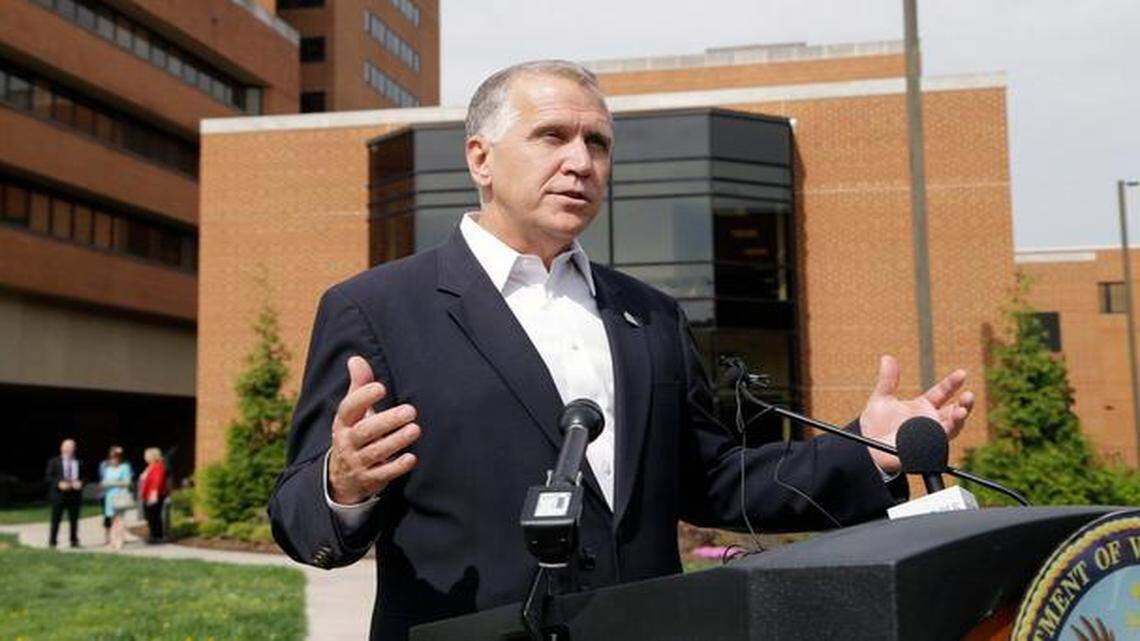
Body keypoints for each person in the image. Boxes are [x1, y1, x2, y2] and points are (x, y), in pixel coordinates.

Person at [268, 60, 976, 641]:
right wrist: (343, 482)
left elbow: (716, 478)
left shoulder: (649, 314)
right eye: (552, 136)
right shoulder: (378, 308)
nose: (581, 161)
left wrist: (865, 449)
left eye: (598, 143)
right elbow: (299, 518)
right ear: (480, 158)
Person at [45, 438, 83, 548]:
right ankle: (53, 541)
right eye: (67, 446)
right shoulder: (54, 461)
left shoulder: (79, 461)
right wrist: (59, 484)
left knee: (74, 520)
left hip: (74, 494)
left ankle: (74, 540)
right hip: (59, 495)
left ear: (74, 449)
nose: (69, 449)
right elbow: (48, 477)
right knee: (56, 519)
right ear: (62, 448)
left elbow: (86, 477)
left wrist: (81, 483)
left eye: (72, 447)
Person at [99, 446, 133, 550]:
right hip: (109, 496)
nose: (114, 459)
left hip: (120, 496)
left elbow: (127, 482)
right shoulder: (108, 469)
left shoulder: (125, 467)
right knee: (112, 520)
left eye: (116, 457)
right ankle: (112, 542)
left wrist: (112, 483)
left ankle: (119, 541)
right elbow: (104, 481)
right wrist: (104, 484)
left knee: (120, 520)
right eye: (112, 457)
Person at [139, 447, 168, 543]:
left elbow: (157, 481)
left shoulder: (158, 466)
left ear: (153, 456)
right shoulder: (150, 467)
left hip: (155, 495)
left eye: (146, 455)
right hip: (148, 495)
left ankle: (157, 536)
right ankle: (153, 535)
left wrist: (153, 495)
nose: (145, 457)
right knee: (149, 516)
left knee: (154, 516)